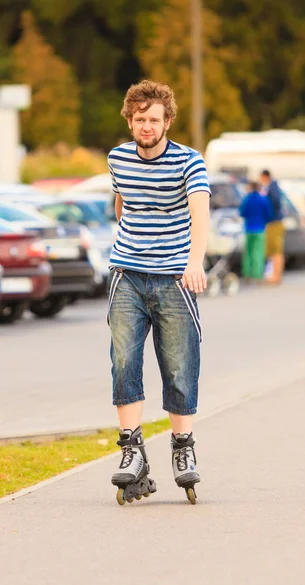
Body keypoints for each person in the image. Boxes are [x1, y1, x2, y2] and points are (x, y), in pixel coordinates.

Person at [107, 80, 210, 501]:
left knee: (180, 364)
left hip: (174, 276)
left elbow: (200, 213)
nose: (146, 126)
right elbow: (121, 202)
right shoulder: (117, 158)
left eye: (154, 119)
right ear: (130, 121)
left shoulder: (190, 162)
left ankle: (182, 450)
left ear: (167, 121)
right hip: (127, 273)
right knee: (123, 359)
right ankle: (132, 451)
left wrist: (194, 261)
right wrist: (125, 240)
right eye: (139, 119)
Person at [239, 182, 272, 282]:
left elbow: (242, 212)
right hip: (260, 229)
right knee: (258, 252)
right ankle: (257, 275)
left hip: (248, 228)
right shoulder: (263, 199)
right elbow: (269, 214)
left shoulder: (247, 199)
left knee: (248, 253)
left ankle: (247, 274)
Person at [260, 169, 285, 284]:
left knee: (276, 250)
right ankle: (274, 275)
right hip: (273, 222)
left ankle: (276, 276)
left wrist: (269, 214)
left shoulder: (272, 187)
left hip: (274, 222)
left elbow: (275, 202)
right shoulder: (272, 186)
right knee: (272, 250)